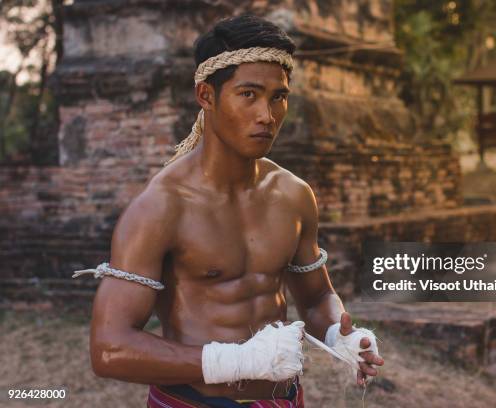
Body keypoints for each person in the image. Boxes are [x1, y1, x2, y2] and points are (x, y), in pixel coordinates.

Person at [79, 14, 383, 408]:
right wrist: (236, 361)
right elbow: (109, 349)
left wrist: (341, 335)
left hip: (283, 400)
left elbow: (316, 297)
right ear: (206, 96)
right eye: (249, 94)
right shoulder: (160, 208)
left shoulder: (293, 195)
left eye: (279, 96)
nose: (267, 115)